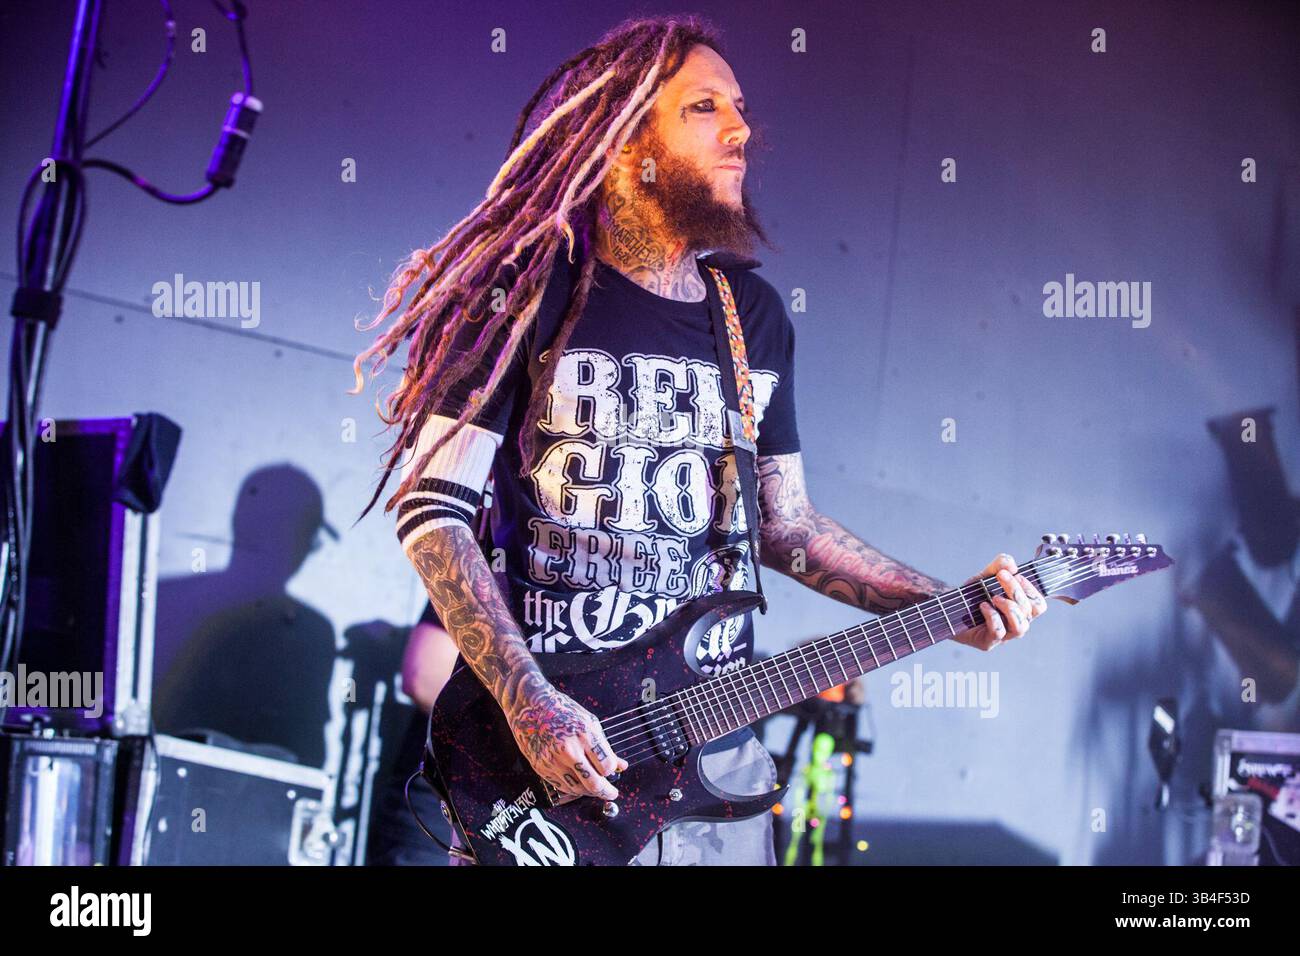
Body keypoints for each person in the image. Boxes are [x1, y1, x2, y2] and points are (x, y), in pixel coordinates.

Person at [353, 14, 1046, 865]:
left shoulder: (750, 318)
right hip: (560, 752)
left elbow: (787, 528)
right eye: (704, 107)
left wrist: (944, 606)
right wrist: (529, 702)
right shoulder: (527, 282)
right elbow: (431, 506)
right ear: (621, 135)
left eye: (742, 107)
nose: (741, 128)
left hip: (713, 760)